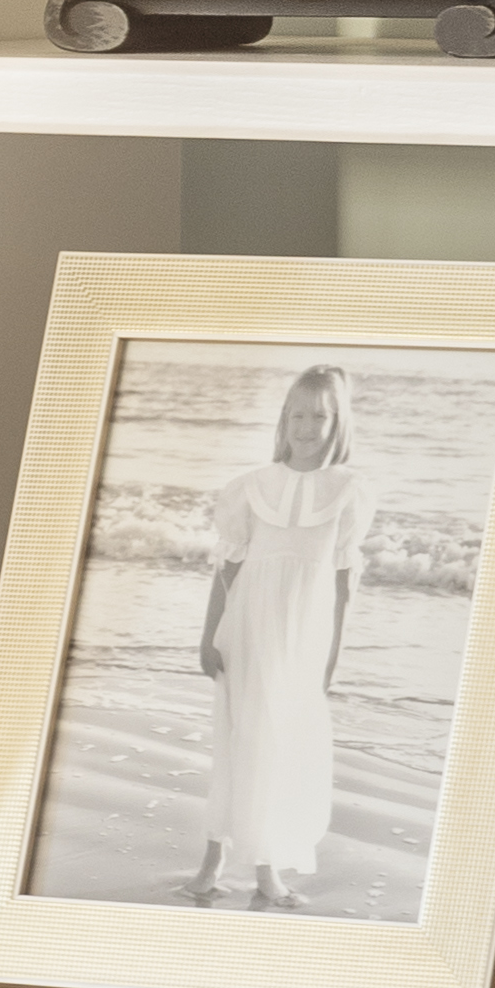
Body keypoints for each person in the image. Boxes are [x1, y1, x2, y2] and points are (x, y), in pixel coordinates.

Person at [189, 365, 362, 909]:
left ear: (337, 423)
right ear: (283, 419)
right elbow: (227, 570)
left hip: (302, 638)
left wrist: (333, 657)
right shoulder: (250, 488)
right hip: (246, 628)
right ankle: (214, 860)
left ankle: (268, 866)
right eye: (297, 413)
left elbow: (343, 584)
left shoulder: (349, 491)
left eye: (319, 415)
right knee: (239, 738)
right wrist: (207, 634)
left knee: (283, 744)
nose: (306, 426)